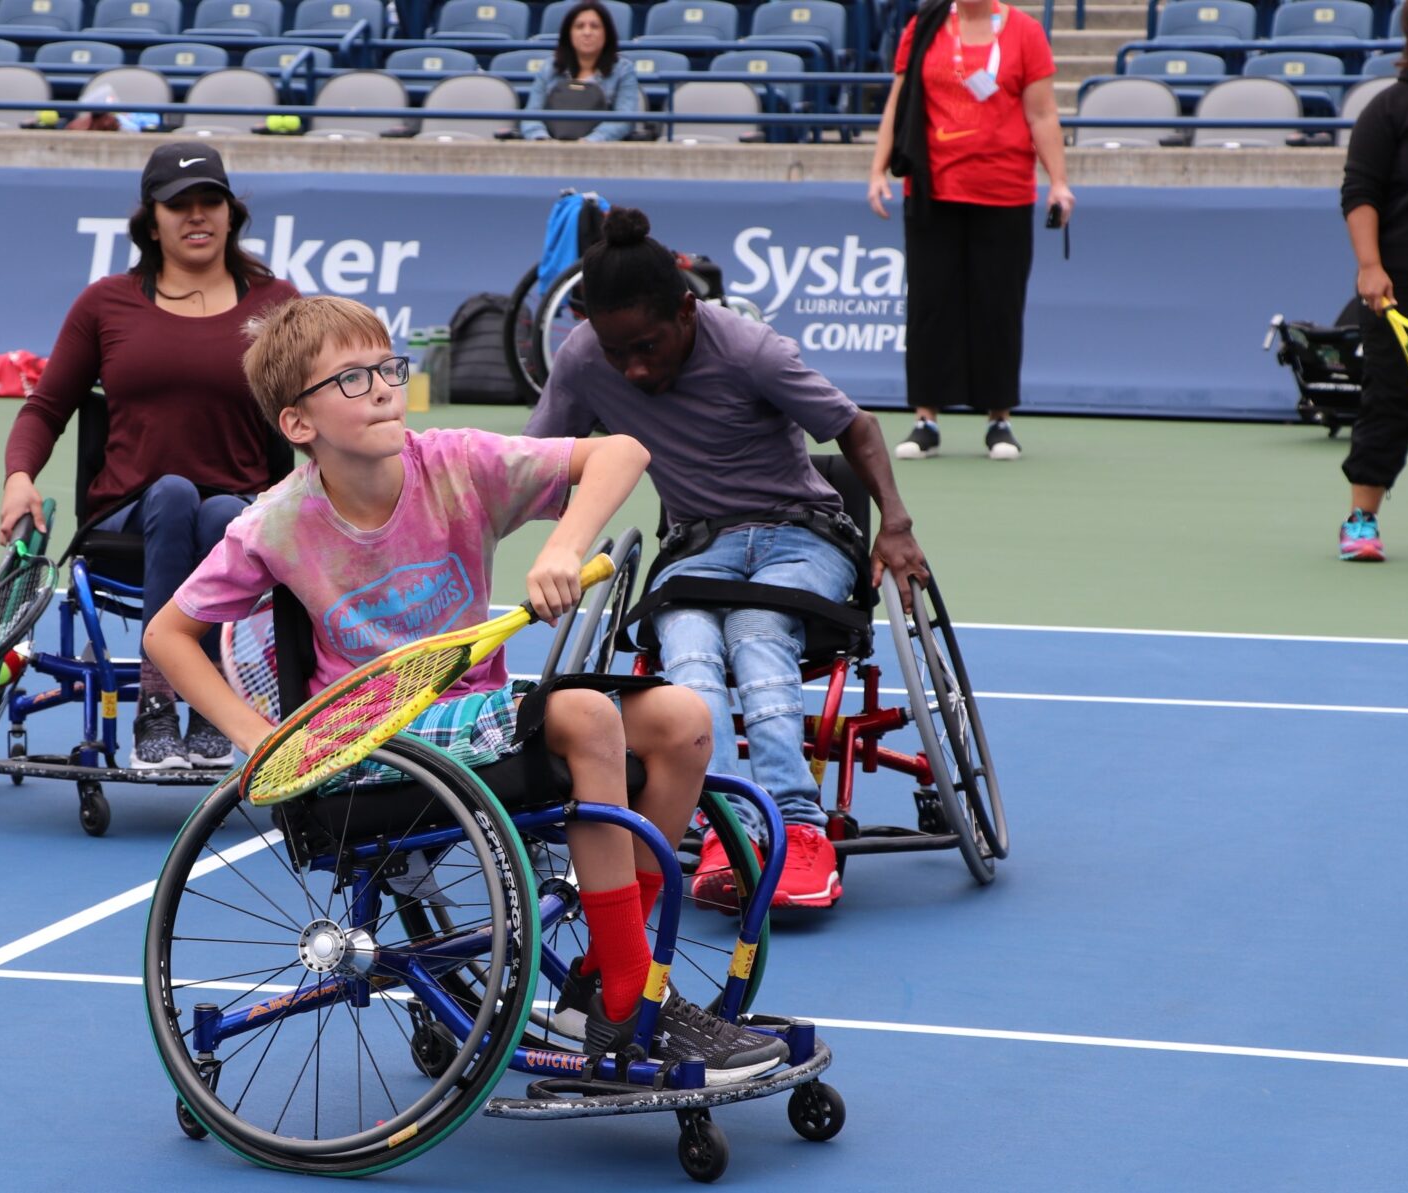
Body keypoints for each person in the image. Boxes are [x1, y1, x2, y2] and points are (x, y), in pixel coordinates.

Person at [144, 295, 786, 1076]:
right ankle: (628, 997)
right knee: (584, 716)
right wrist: (260, 743)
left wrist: (563, 546)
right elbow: (167, 634)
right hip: (368, 740)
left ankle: (607, 981)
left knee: (683, 719)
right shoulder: (274, 524)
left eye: (387, 367)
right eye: (351, 378)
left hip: (471, 717)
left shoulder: (451, 462)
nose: (383, 387)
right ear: (297, 423)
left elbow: (620, 452)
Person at [527, 208, 931, 912]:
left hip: (802, 536)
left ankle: (797, 827)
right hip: (698, 544)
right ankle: (729, 828)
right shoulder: (586, 356)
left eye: (648, 346)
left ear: (687, 309)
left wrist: (894, 525)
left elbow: (856, 427)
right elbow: (540, 464)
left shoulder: (750, 349)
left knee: (754, 629)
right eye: (619, 352)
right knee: (684, 645)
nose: (635, 367)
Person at [1, 142, 299, 769]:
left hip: (238, 512)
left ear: (230, 213)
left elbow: (311, 408)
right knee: (173, 494)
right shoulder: (106, 304)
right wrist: (19, 478)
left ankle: (213, 712)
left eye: (209, 202)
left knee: (220, 513)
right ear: (151, 221)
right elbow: (46, 408)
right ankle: (156, 708)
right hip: (128, 512)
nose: (196, 216)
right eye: (179, 205)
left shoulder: (275, 302)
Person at [867, 0, 1073, 461]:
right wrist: (878, 170)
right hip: (931, 191)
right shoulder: (926, 27)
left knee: (997, 306)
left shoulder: (1024, 32)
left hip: (1005, 192)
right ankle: (926, 420)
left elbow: (1042, 114)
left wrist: (1058, 181)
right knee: (930, 305)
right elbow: (898, 103)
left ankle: (998, 420)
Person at [1335, 0, 1408, 562]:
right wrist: (1370, 265)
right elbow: (1360, 191)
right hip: (1401, 291)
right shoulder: (1390, 109)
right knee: (1391, 403)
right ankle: (1361, 522)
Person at [518, 1, 643, 143]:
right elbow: (531, 115)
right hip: (550, 150)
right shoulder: (549, 67)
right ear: (569, 33)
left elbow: (624, 119)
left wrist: (588, 142)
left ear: (606, 33)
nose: (587, 32)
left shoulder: (623, 69)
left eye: (594, 26)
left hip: (599, 153)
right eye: (579, 26)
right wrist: (542, 140)